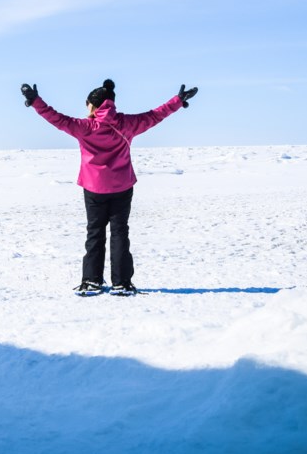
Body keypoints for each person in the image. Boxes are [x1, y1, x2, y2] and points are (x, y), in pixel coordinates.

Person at [20, 78, 197, 296]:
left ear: (92, 105)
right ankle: (121, 282)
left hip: (94, 188)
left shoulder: (84, 127)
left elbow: (56, 119)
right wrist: (178, 101)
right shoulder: (126, 124)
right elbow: (155, 115)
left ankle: (92, 281)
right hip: (122, 186)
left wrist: (35, 101)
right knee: (120, 232)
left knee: (95, 232)